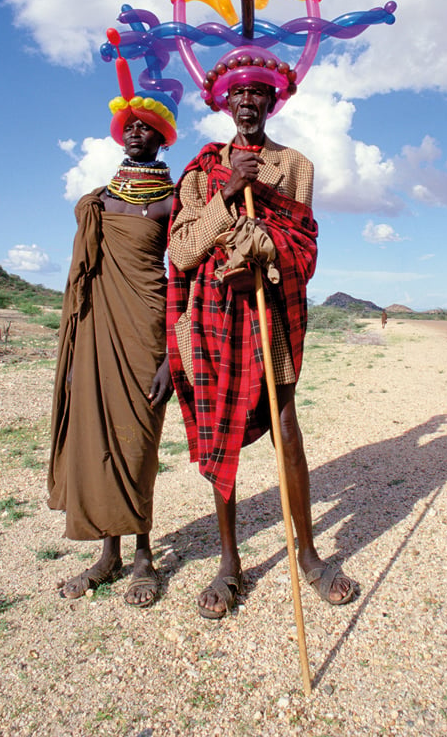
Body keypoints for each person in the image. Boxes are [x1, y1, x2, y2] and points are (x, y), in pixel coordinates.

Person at [167, 75, 355, 618]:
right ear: (226, 103)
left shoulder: (296, 166)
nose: (248, 102)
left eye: (258, 95)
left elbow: (304, 249)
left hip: (269, 313)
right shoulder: (202, 172)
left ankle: (310, 555)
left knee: (287, 427)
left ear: (272, 102)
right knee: (215, 430)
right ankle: (229, 563)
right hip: (211, 318)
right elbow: (182, 253)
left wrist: (265, 264)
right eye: (238, 95)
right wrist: (227, 194)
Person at [48, 64, 180, 608]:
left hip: (148, 331)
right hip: (99, 333)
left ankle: (145, 556)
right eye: (129, 125)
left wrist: (174, 355)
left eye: (146, 127)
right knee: (99, 440)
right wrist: (77, 352)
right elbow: (81, 284)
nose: (135, 132)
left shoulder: (177, 200)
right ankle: (109, 554)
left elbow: (187, 274)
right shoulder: (98, 203)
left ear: (162, 136)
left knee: (139, 443)